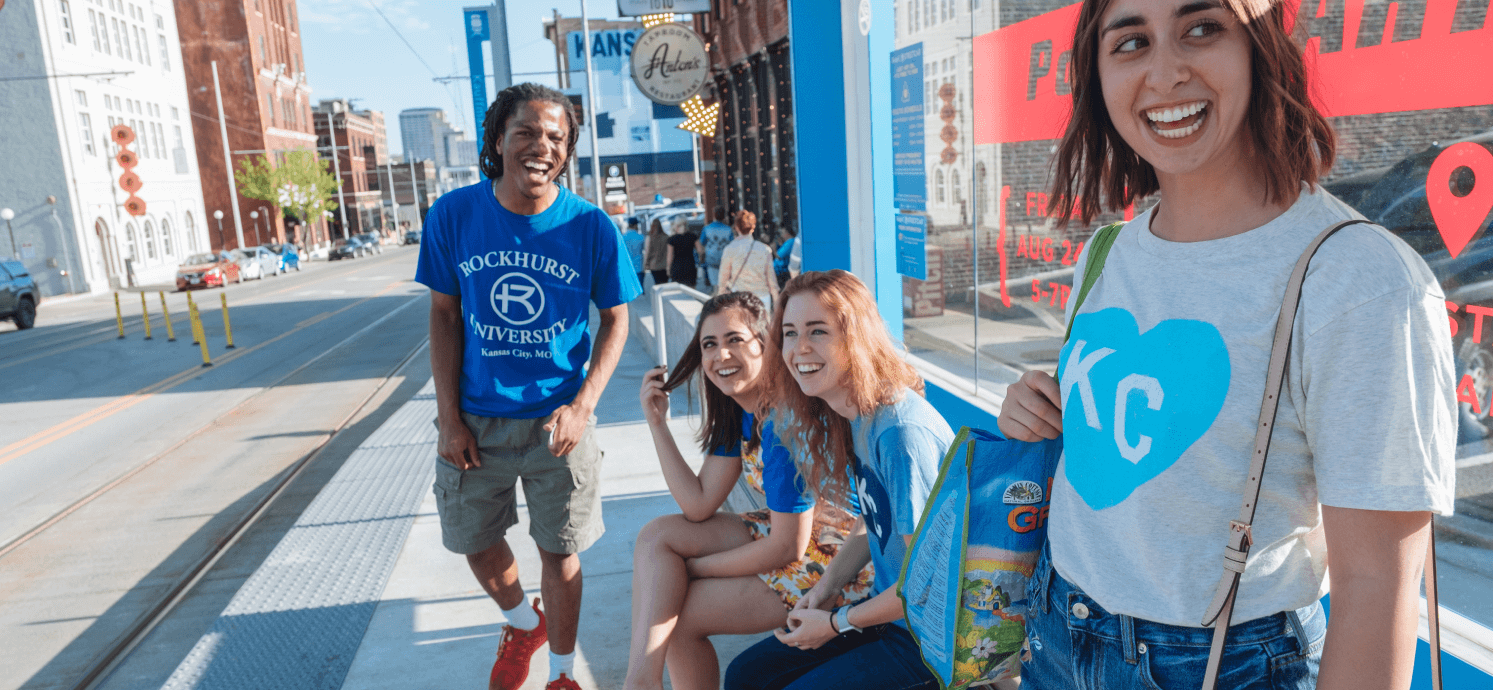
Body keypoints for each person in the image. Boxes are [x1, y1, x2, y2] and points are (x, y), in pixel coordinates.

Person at [998, 1, 1456, 688]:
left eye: (1200, 29)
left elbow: (1376, 584)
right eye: (1130, 43)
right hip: (1056, 629)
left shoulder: (1357, 279)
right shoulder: (1108, 250)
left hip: (1219, 661)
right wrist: (1041, 407)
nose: (1165, 71)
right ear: (1096, 78)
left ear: (1258, 48)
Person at [415, 82, 642, 690]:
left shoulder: (592, 227)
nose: (542, 146)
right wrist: (449, 417)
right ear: (498, 140)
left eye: (556, 137)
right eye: (527, 132)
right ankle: (523, 622)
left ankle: (562, 675)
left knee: (559, 553)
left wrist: (583, 406)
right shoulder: (453, 216)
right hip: (475, 421)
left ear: (567, 151)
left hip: (557, 423)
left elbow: (617, 317)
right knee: (475, 543)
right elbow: (443, 314)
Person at [625, 291, 872, 690]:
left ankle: (640, 683)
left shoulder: (782, 423)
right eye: (710, 344)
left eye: (734, 340)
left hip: (842, 559)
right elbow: (698, 503)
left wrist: (694, 570)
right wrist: (657, 425)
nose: (721, 355)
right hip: (798, 535)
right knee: (657, 536)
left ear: (765, 344)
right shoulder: (743, 410)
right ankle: (640, 681)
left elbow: (786, 547)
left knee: (677, 615)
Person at [725, 270, 954, 690]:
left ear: (856, 337)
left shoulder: (900, 433)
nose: (800, 349)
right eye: (790, 333)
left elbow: (924, 584)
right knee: (746, 675)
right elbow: (873, 524)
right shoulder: (855, 416)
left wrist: (834, 623)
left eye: (818, 331)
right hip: (889, 618)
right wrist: (826, 589)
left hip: (932, 642)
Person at [716, 210, 777, 310]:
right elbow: (771, 280)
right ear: (753, 227)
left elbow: (723, 279)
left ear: (736, 227)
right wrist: (776, 301)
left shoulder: (730, 249)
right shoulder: (765, 249)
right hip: (762, 298)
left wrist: (721, 298)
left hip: (740, 299)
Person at [698, 206, 735, 289]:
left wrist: (701, 256)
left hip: (711, 260)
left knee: (715, 285)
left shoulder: (707, 229)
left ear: (714, 215)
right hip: (725, 260)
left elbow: (701, 243)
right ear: (724, 216)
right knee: (725, 285)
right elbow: (732, 245)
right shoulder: (728, 229)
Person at [666, 217, 699, 289]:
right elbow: (700, 250)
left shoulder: (671, 239)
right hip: (690, 266)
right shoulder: (692, 236)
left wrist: (668, 268)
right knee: (692, 291)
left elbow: (670, 256)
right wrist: (701, 260)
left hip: (677, 267)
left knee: (678, 292)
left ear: (676, 226)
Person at [643, 217, 670, 287]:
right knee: (665, 283)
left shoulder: (650, 238)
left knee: (658, 284)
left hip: (654, 265)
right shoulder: (666, 237)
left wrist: (646, 264)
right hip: (664, 265)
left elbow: (647, 252)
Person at [622, 217, 646, 289]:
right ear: (635, 225)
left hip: (627, 268)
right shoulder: (641, 237)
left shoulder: (623, 238)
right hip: (639, 267)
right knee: (640, 292)